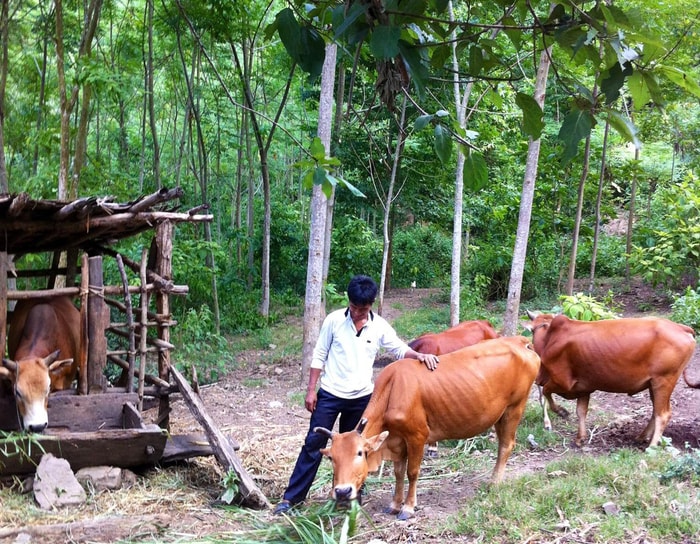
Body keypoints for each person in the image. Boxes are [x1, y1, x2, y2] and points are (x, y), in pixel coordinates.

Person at [273, 274, 440, 515]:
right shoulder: (333, 321)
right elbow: (319, 355)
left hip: (362, 399)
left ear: (371, 305)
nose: (357, 313)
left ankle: (351, 497)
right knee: (314, 443)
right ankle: (292, 498)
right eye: (353, 307)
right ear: (348, 302)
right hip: (330, 395)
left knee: (356, 450)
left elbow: (398, 348)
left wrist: (419, 355)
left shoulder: (379, 325)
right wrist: (311, 390)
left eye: (362, 309)